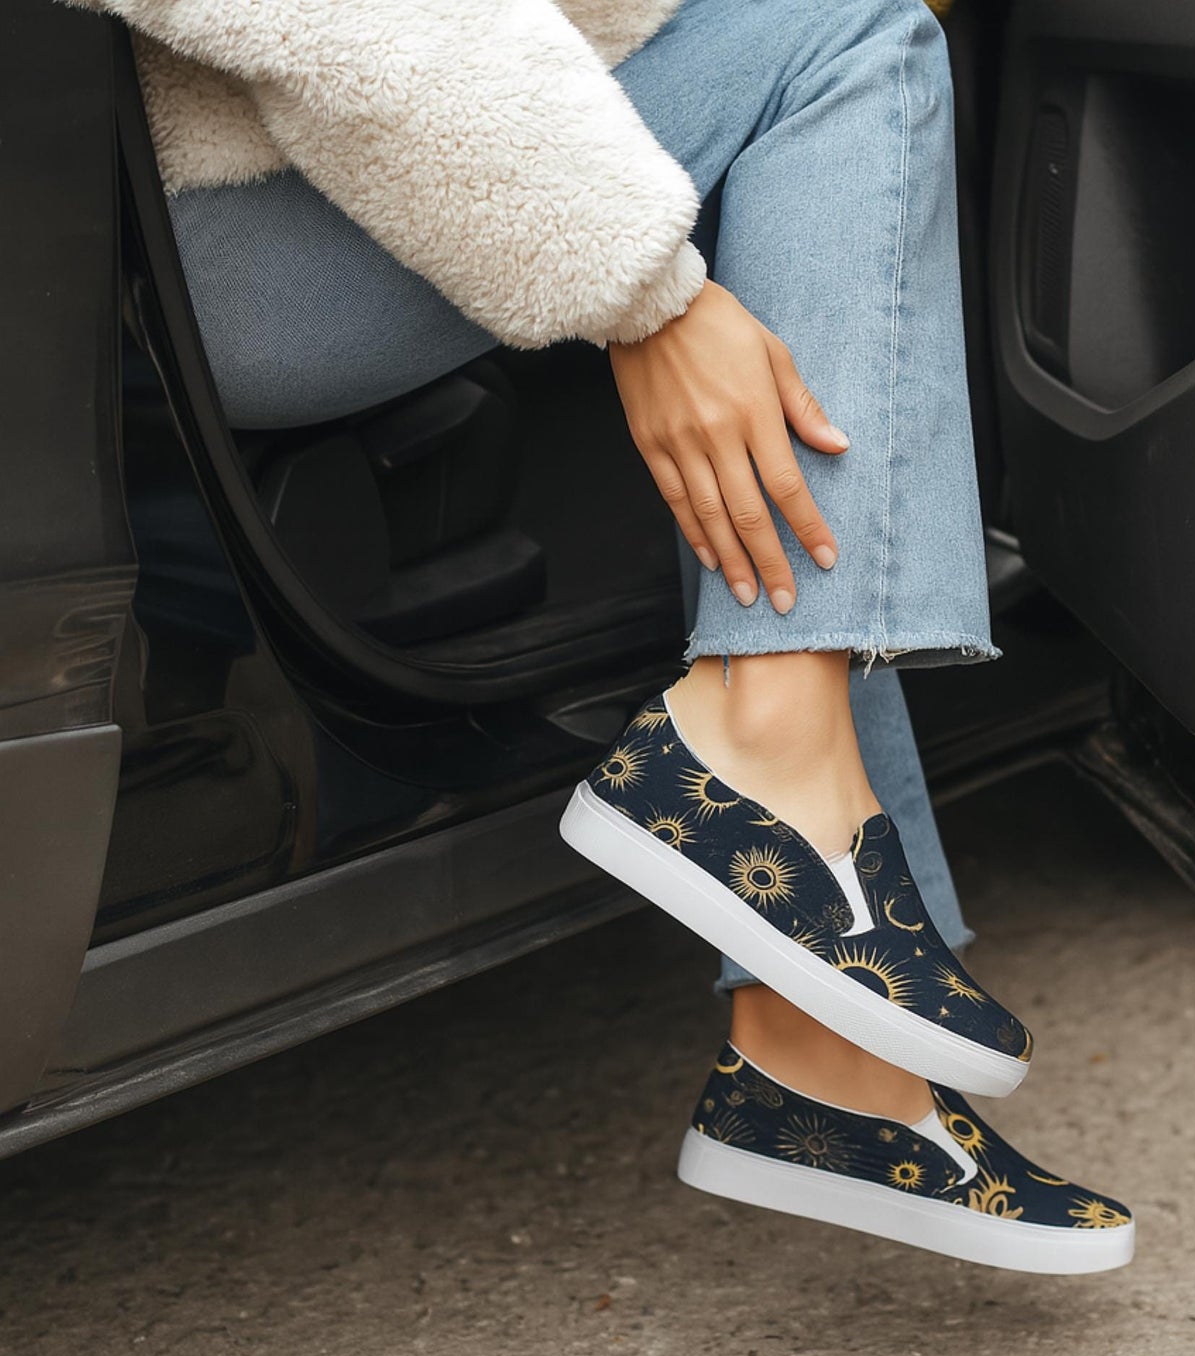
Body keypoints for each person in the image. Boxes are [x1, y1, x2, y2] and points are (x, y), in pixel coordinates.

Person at [79, 0, 1133, 1272]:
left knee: (811, 131)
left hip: (279, 186)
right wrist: (645, 294)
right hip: (242, 232)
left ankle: (823, 1053)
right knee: (848, 37)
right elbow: (362, 24)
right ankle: (764, 786)